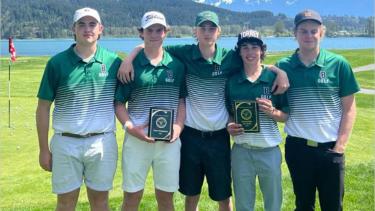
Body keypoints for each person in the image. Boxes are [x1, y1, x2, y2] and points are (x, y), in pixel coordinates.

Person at [117, 11, 289, 211]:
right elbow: (152, 44)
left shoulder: (230, 58)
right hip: (190, 135)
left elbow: (254, 60)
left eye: (212, 28)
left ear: (219, 32)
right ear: (195, 32)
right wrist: (129, 58)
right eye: (203, 28)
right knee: (191, 194)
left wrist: (279, 71)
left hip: (219, 137)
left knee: (223, 195)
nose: (207, 33)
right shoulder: (183, 53)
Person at [36, 7, 121, 211]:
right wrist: (43, 150)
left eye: (92, 24)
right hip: (65, 143)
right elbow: (43, 108)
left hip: (102, 142)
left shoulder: (114, 62)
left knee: (100, 202)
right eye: (81, 24)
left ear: (101, 29)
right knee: (65, 203)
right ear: (73, 29)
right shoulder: (57, 63)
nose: (87, 29)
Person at [276, 9, 360, 211]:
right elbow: (279, 109)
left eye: (313, 31)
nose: (308, 36)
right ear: (294, 34)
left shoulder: (338, 64)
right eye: (303, 31)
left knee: (332, 206)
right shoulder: (284, 66)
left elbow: (349, 109)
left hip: (330, 148)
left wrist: (340, 146)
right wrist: (276, 71)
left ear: (322, 32)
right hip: (298, 148)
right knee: (303, 205)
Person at [114, 11, 186, 211]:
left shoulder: (176, 65)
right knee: (131, 198)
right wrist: (130, 127)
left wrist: (179, 127)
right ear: (141, 33)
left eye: (159, 30)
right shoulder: (130, 66)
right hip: (137, 139)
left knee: (166, 199)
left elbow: (182, 100)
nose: (154, 34)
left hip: (169, 141)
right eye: (149, 30)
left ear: (166, 32)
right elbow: (119, 103)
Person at [225, 29, 289, 211]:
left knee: (273, 203)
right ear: (239, 51)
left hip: (269, 150)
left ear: (262, 50)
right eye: (244, 47)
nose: (250, 52)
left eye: (254, 47)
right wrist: (230, 124)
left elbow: (286, 116)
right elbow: (229, 112)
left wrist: (273, 112)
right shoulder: (232, 81)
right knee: (244, 204)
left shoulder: (273, 78)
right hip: (241, 151)